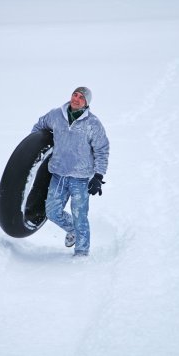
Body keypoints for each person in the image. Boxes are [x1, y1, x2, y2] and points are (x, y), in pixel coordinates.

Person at [31, 87, 109, 256]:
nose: (76, 99)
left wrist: (98, 175)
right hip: (58, 174)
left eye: (81, 97)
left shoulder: (93, 124)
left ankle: (81, 252)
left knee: (80, 215)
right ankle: (74, 230)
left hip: (81, 178)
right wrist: (32, 149)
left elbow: (102, 150)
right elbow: (39, 126)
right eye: (75, 94)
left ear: (86, 103)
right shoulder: (56, 115)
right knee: (52, 212)